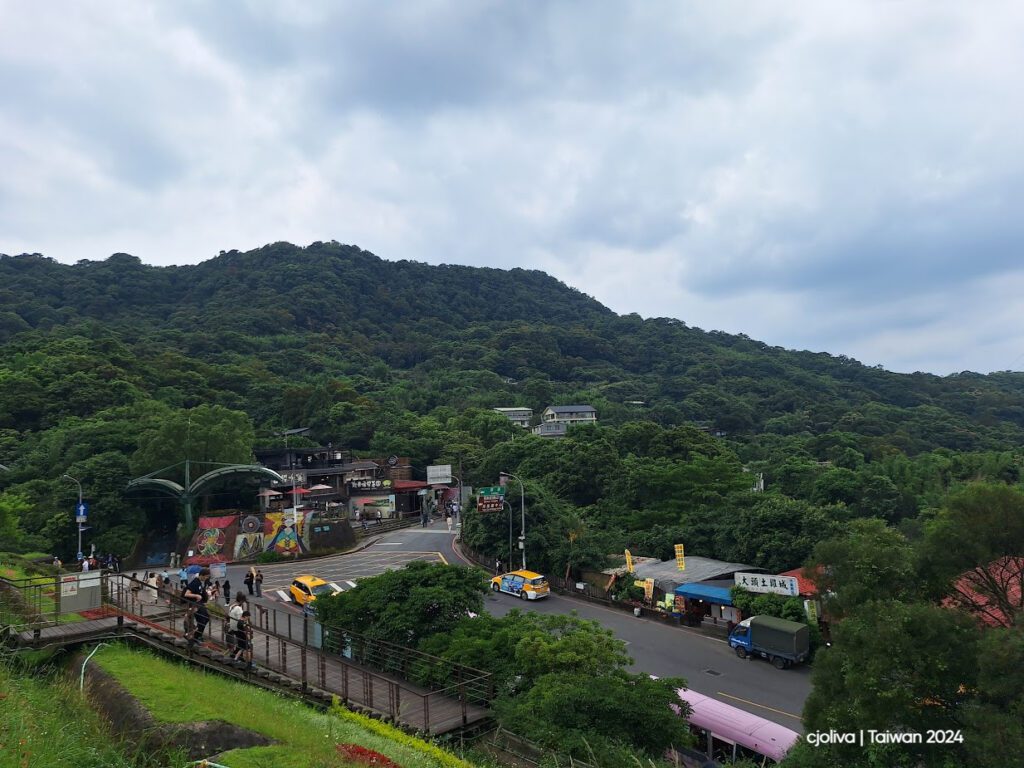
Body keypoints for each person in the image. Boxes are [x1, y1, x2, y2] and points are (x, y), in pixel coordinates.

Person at [183, 566, 212, 646]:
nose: (206, 578)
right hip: (195, 605)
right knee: (202, 622)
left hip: (200, 604)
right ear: (202, 575)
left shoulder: (199, 582)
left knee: (206, 619)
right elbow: (187, 594)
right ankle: (193, 638)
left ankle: (196, 636)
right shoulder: (195, 582)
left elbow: (201, 592)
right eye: (206, 577)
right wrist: (196, 595)